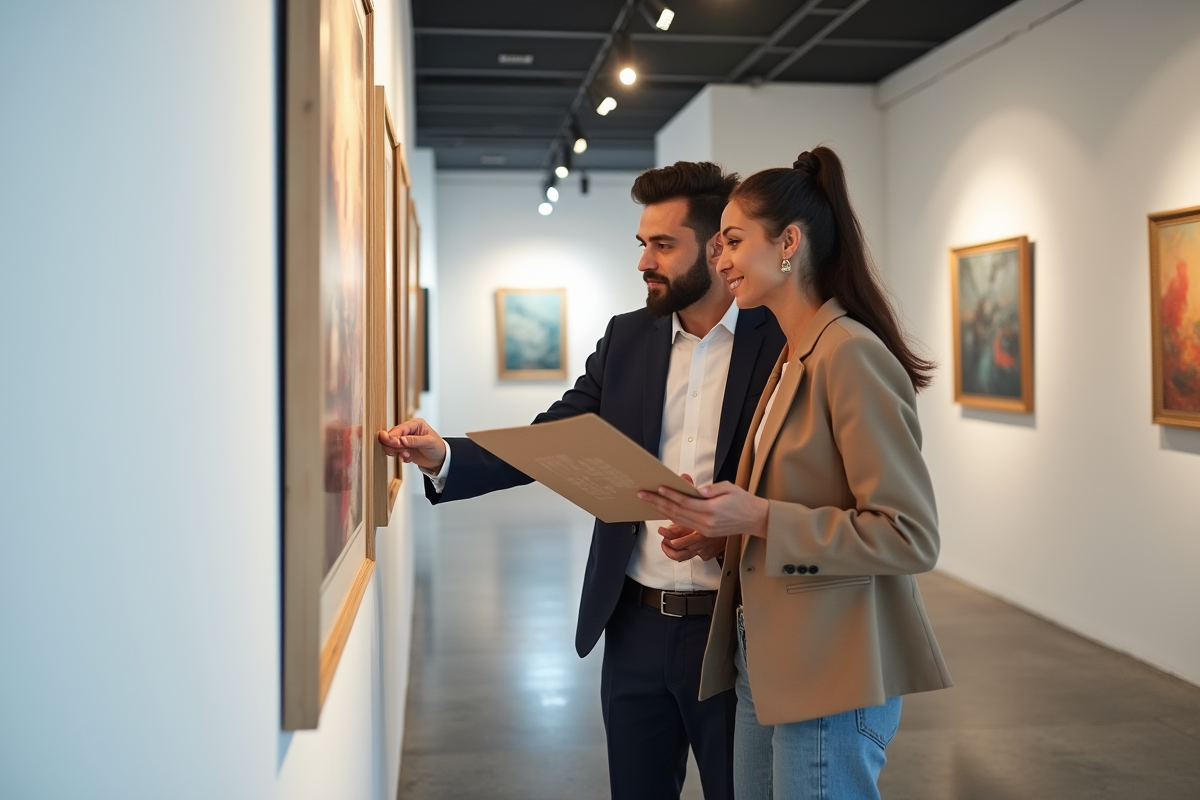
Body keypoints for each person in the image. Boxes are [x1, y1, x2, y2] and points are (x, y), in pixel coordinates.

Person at [378, 162, 786, 800]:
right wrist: (445, 456)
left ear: (717, 248)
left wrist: (732, 534)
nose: (644, 262)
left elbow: (807, 486)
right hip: (634, 625)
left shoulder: (783, 341)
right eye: (642, 244)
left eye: (663, 245)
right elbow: (554, 439)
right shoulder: (629, 336)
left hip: (737, 630)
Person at [638, 147, 953, 800]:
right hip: (768, 655)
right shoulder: (793, 356)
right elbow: (797, 507)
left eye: (733, 242)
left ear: (788, 243)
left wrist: (757, 515)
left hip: (830, 666)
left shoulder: (850, 355)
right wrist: (724, 532)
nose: (720, 261)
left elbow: (908, 535)